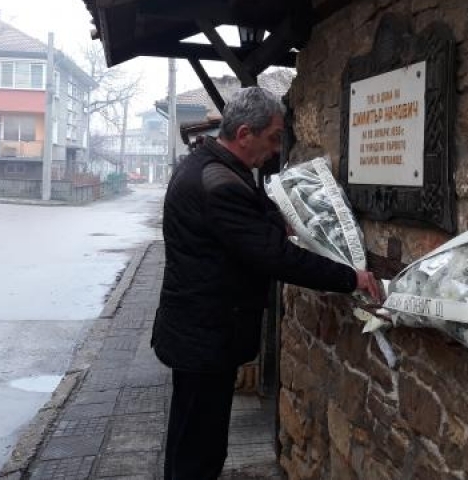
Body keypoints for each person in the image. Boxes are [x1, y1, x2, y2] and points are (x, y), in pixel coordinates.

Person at [151, 86, 383, 480]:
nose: (277, 150)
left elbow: (246, 224)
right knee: (200, 449)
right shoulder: (219, 182)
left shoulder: (207, 165)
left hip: (195, 331)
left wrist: (280, 222)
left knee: (190, 436)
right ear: (244, 135)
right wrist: (350, 277)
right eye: (274, 138)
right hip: (205, 336)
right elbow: (274, 257)